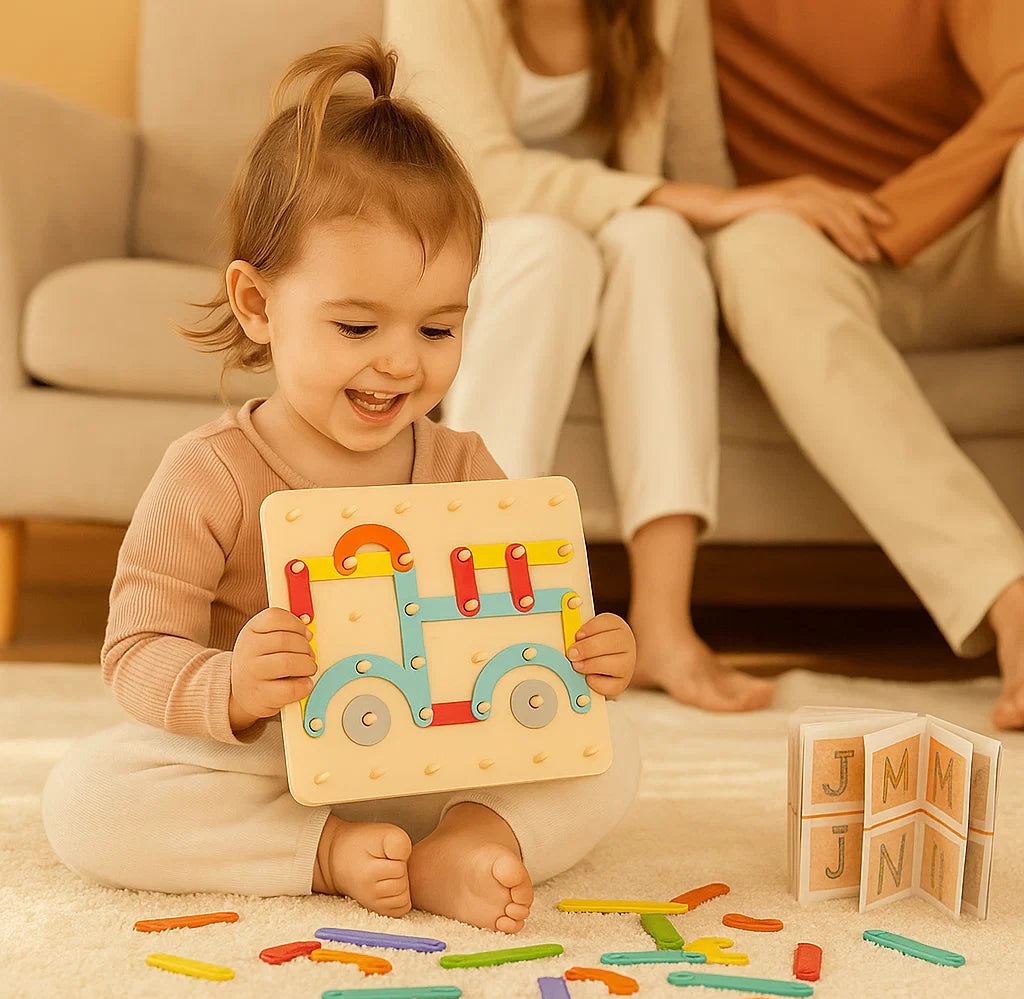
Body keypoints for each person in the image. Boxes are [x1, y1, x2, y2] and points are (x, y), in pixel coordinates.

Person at [40, 41, 640, 934]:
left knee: (616, 750)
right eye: (358, 327)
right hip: (274, 767)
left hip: (445, 756)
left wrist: (588, 656)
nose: (400, 363)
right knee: (89, 798)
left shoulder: (463, 465)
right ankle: (324, 854)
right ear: (256, 305)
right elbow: (135, 651)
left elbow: (527, 629)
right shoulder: (208, 472)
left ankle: (466, 841)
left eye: (437, 329)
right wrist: (232, 684)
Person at [386, 0, 891, 712]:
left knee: (661, 240)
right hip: (473, 240)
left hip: (618, 247)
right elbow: (473, 175)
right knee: (551, 249)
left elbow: (698, 168)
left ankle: (663, 624)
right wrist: (676, 198)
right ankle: (475, 599)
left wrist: (745, 233)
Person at [704, 0, 1024, 729]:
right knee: (756, 250)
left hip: (974, 226)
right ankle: (1012, 604)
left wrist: (900, 214)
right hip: (817, 250)